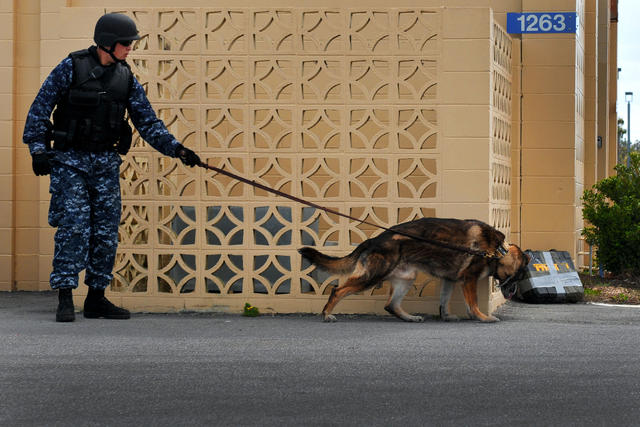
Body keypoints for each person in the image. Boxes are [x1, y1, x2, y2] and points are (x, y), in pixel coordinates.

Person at [22, 13, 202, 322]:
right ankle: (65, 296)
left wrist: (177, 149)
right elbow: (39, 110)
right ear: (108, 42)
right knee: (74, 228)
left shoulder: (125, 78)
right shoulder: (71, 67)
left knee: (106, 232)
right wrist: (38, 150)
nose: (130, 48)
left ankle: (96, 299)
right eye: (126, 43)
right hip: (70, 162)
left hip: (105, 164)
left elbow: (147, 122)